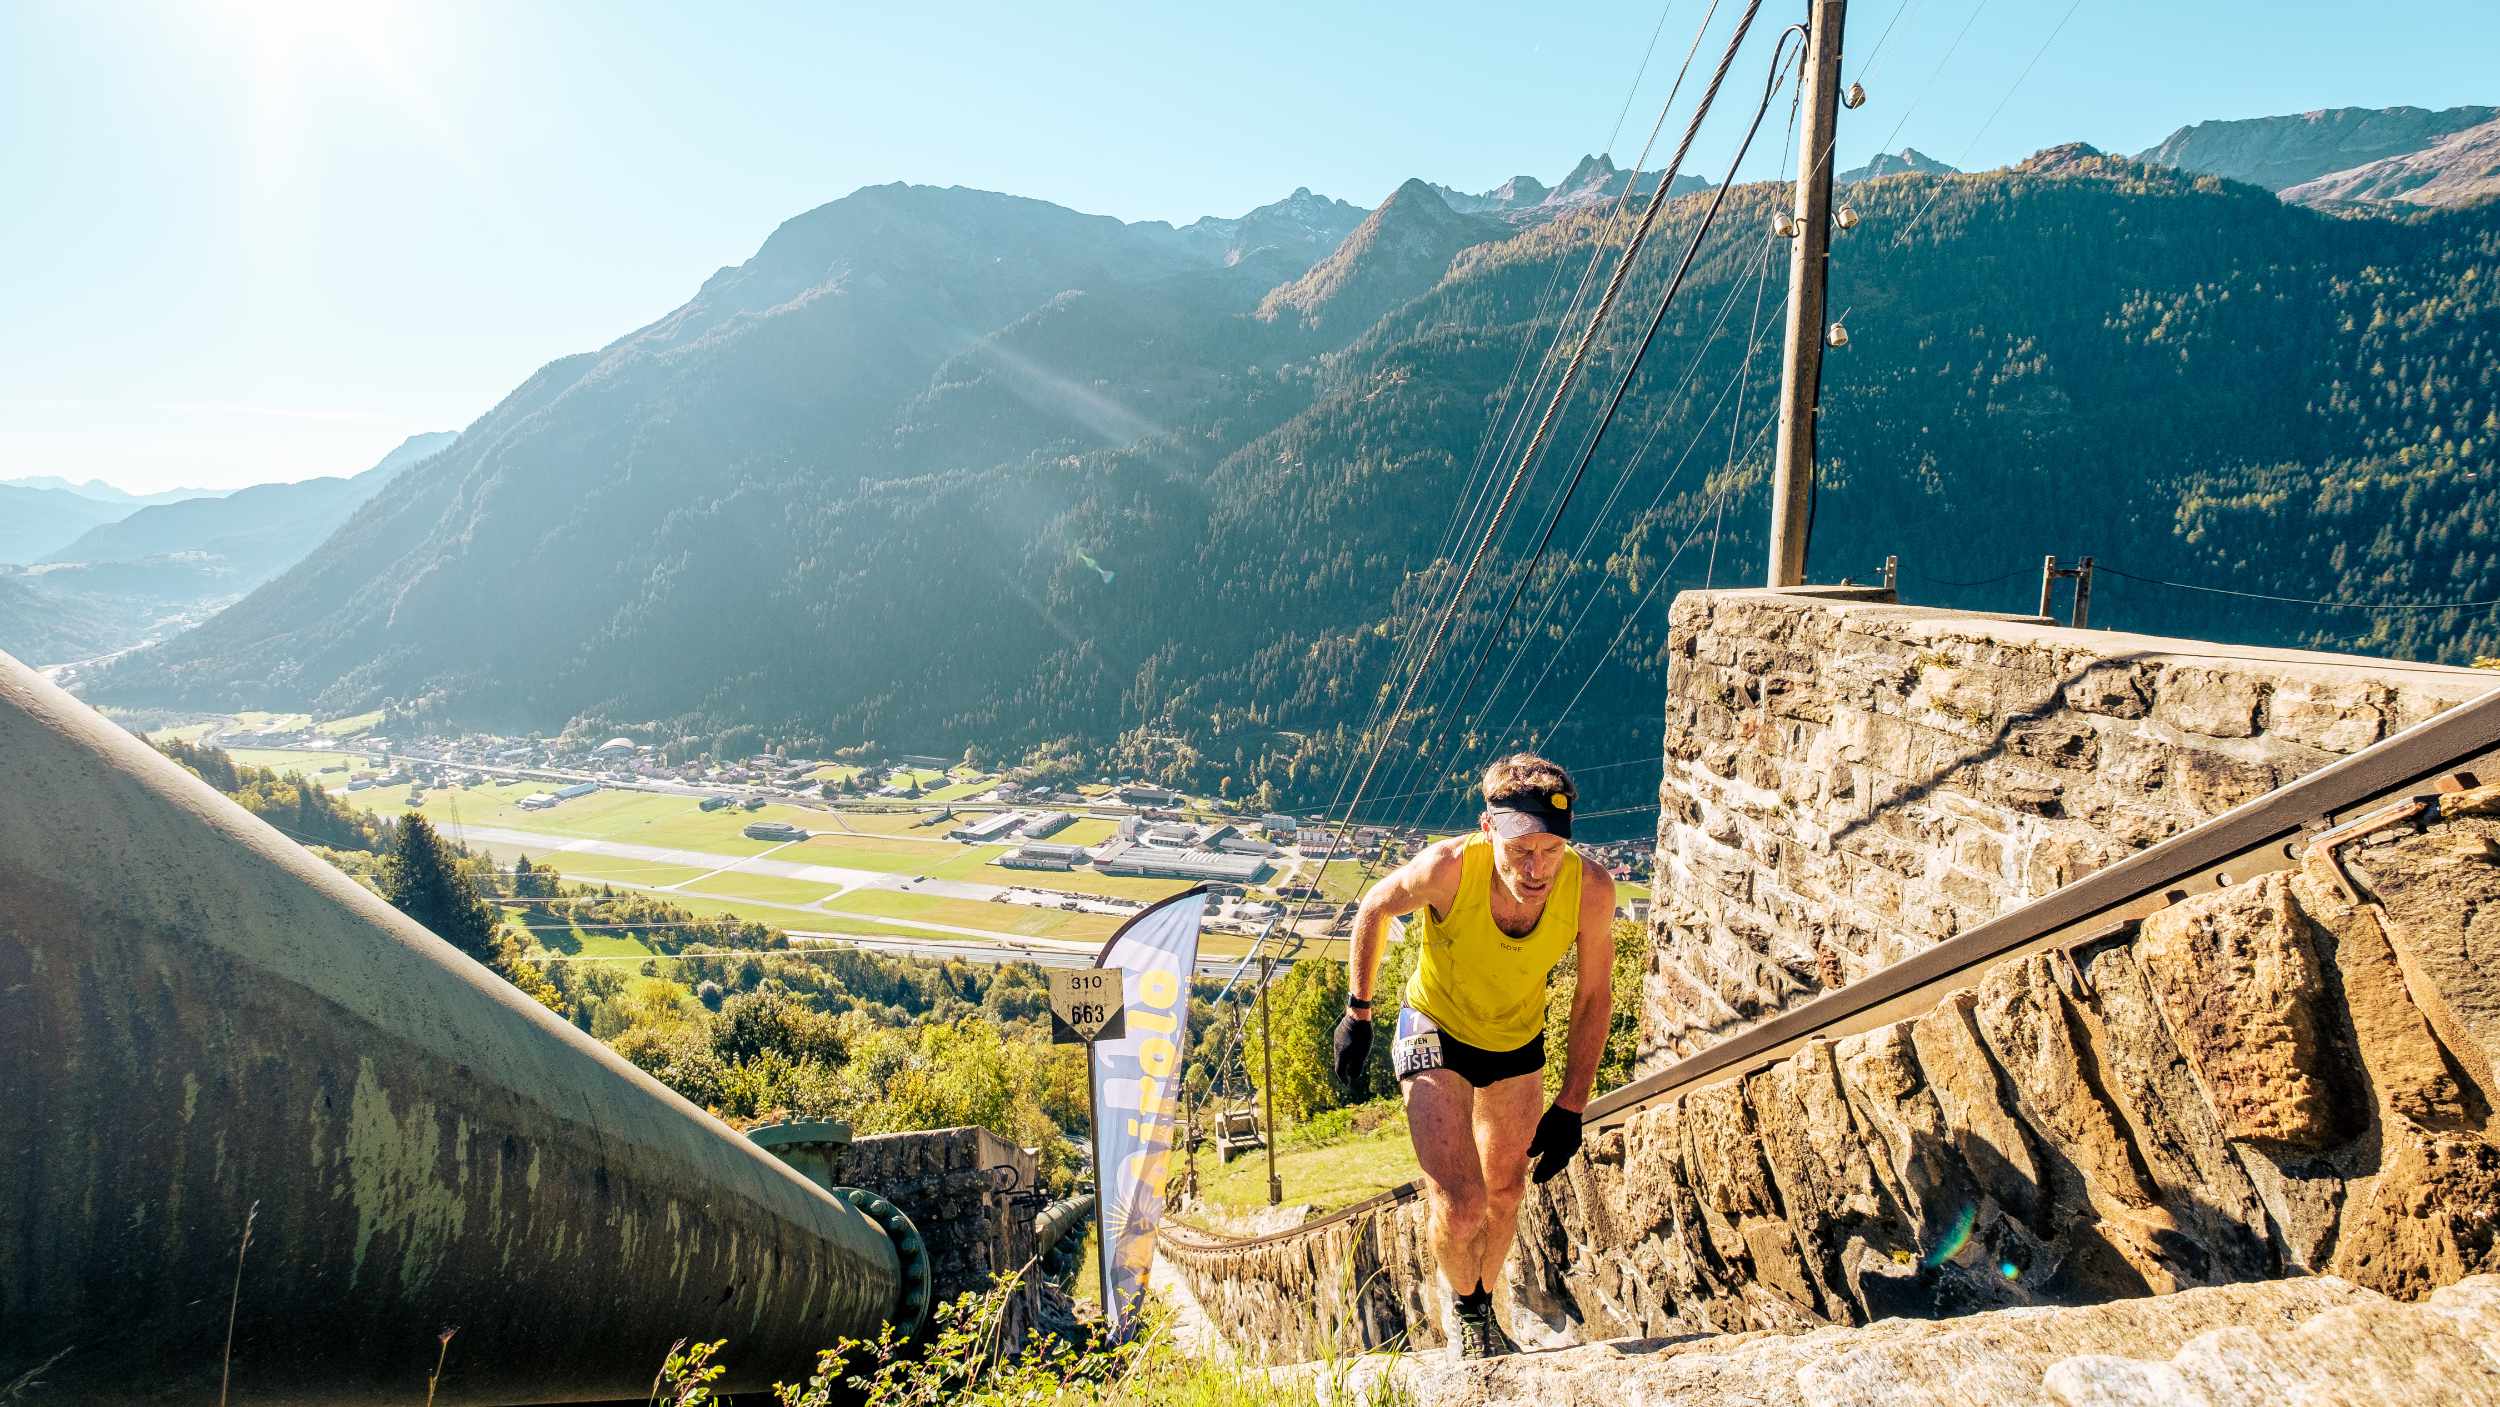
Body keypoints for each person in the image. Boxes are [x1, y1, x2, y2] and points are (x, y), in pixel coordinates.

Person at [1331, 752, 1615, 1359]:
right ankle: (1465, 1310)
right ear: (1488, 830)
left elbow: (1593, 995)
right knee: (1462, 1205)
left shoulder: (1589, 889)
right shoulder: (1449, 868)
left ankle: (1482, 1303)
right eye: (1521, 850)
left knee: (1506, 1193)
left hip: (1515, 1040)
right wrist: (1359, 1012)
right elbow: (1375, 906)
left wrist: (1573, 1103)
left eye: (1551, 849)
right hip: (1435, 1028)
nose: (1536, 869)